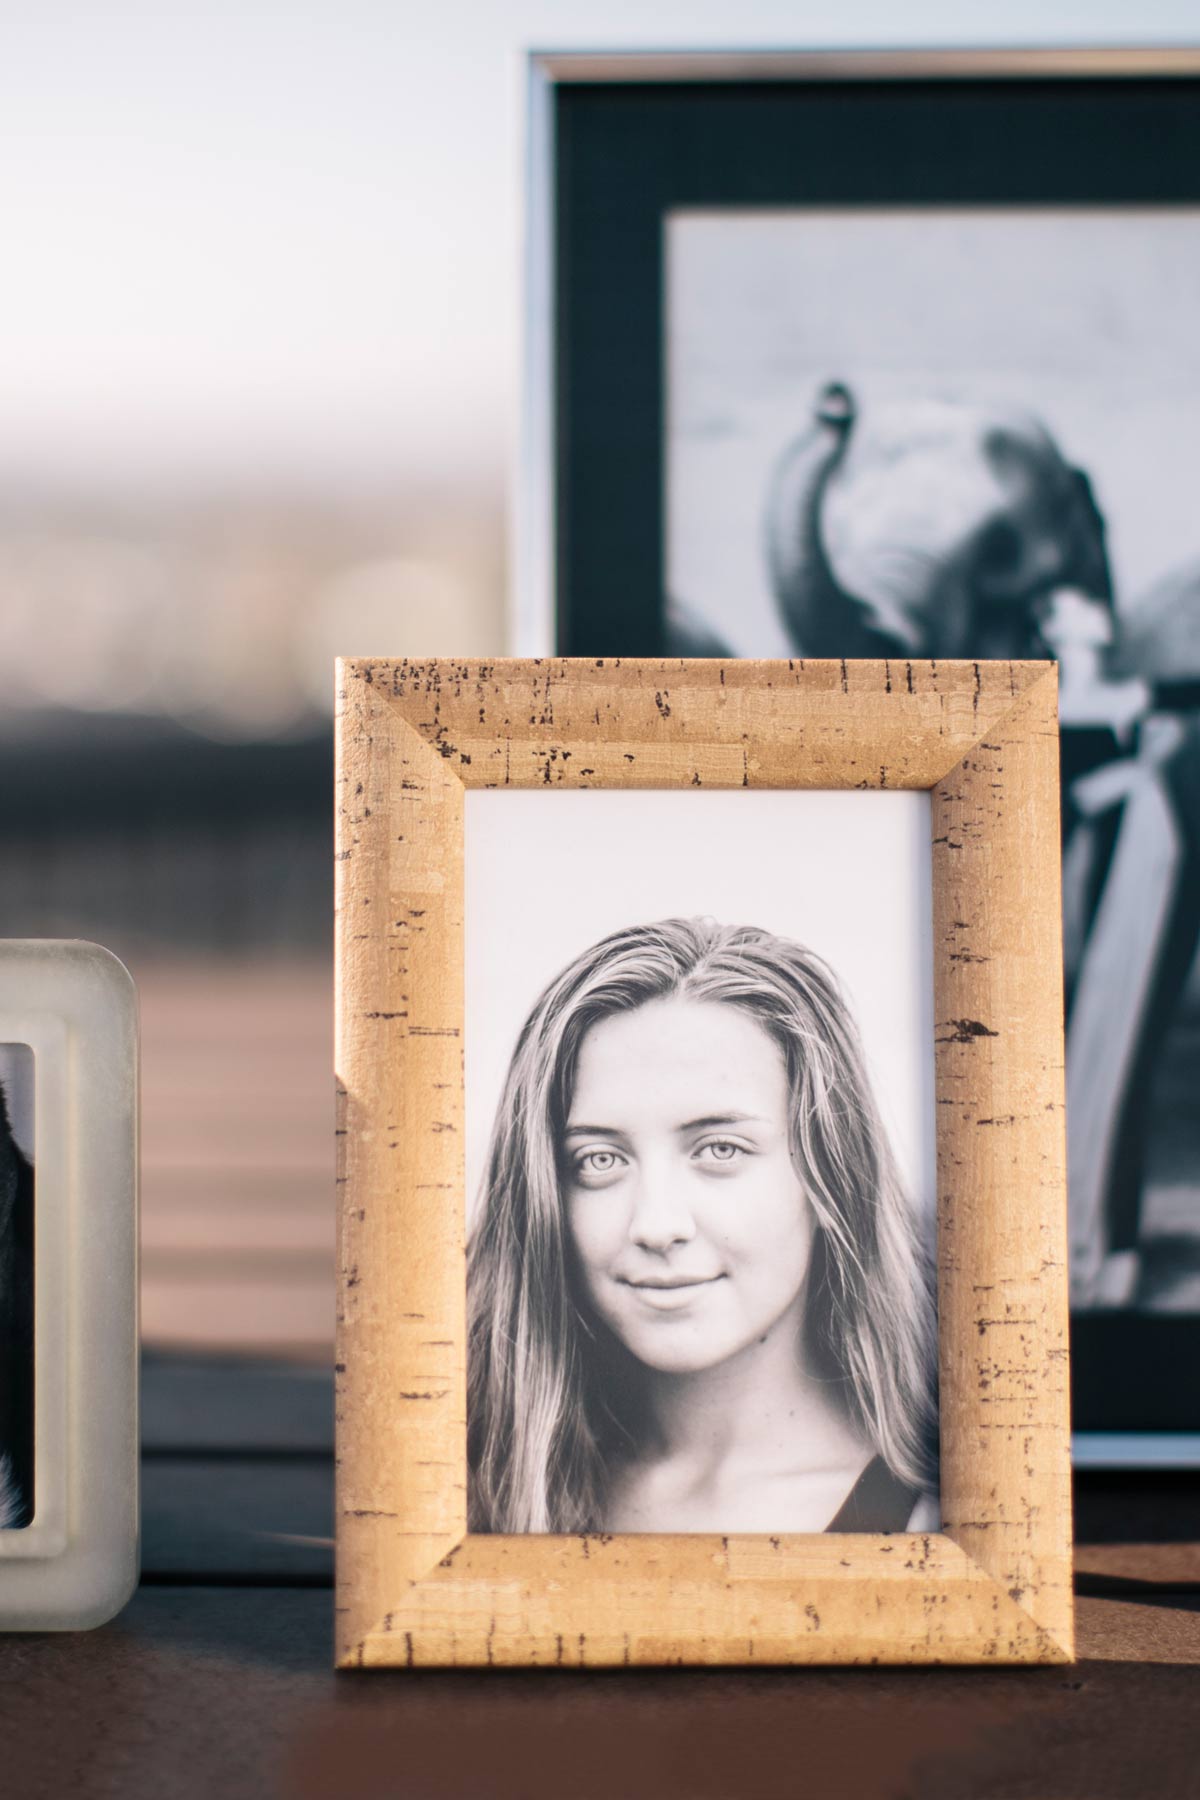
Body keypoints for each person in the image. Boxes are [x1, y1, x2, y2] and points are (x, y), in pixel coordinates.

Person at [467, 918, 938, 1536]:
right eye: (600, 1160)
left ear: (831, 1175)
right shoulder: (474, 1496)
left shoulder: (943, 1519)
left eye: (719, 1150)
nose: (657, 1225)